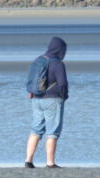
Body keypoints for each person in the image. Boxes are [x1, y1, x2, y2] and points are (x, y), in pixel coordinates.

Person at [25, 36, 69, 169]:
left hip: (36, 99)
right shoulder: (58, 64)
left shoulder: (38, 60)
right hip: (53, 100)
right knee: (52, 132)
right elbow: (62, 83)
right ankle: (50, 163)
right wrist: (64, 96)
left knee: (35, 130)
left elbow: (30, 79)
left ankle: (28, 160)